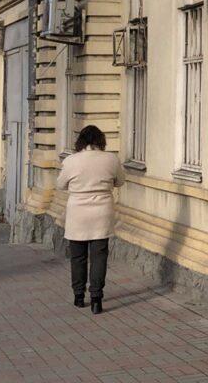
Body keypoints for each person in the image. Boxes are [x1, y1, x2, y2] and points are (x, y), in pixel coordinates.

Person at [55, 124, 125, 314]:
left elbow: (60, 184)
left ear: (81, 141)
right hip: (102, 211)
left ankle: (78, 296)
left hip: (77, 212)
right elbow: (120, 181)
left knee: (78, 257)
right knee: (99, 257)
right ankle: (96, 299)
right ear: (101, 140)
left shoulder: (71, 160)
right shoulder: (111, 159)